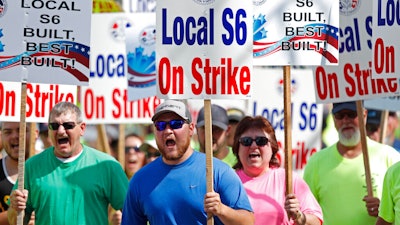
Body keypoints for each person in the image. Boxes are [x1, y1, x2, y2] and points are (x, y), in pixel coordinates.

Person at [121, 99, 254, 225]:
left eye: (176, 124)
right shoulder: (141, 180)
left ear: (191, 129)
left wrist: (221, 210)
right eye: (161, 125)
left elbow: (248, 221)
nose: (168, 130)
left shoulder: (218, 171)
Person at [7, 101, 128, 225]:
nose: (60, 131)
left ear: (82, 128)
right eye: (54, 126)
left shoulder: (107, 166)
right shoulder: (32, 166)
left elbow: (133, 212)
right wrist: (15, 208)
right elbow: (14, 221)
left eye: (68, 125)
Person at [303, 101, 400, 225]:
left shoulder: (390, 157)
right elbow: (308, 213)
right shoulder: (315, 163)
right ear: (333, 119)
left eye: (351, 114)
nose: (345, 120)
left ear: (364, 115)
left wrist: (384, 211)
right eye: (340, 115)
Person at [232, 116, 323, 225]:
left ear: (273, 147)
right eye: (246, 141)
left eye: (261, 141)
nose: (254, 145)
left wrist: (299, 216)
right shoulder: (228, 181)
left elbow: (316, 221)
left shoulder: (288, 179)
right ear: (237, 148)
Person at [0, 122, 37, 225]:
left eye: (21, 130)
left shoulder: (50, 169)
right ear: (1, 136)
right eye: (8, 132)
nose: (15, 136)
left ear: (35, 133)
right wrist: (15, 213)